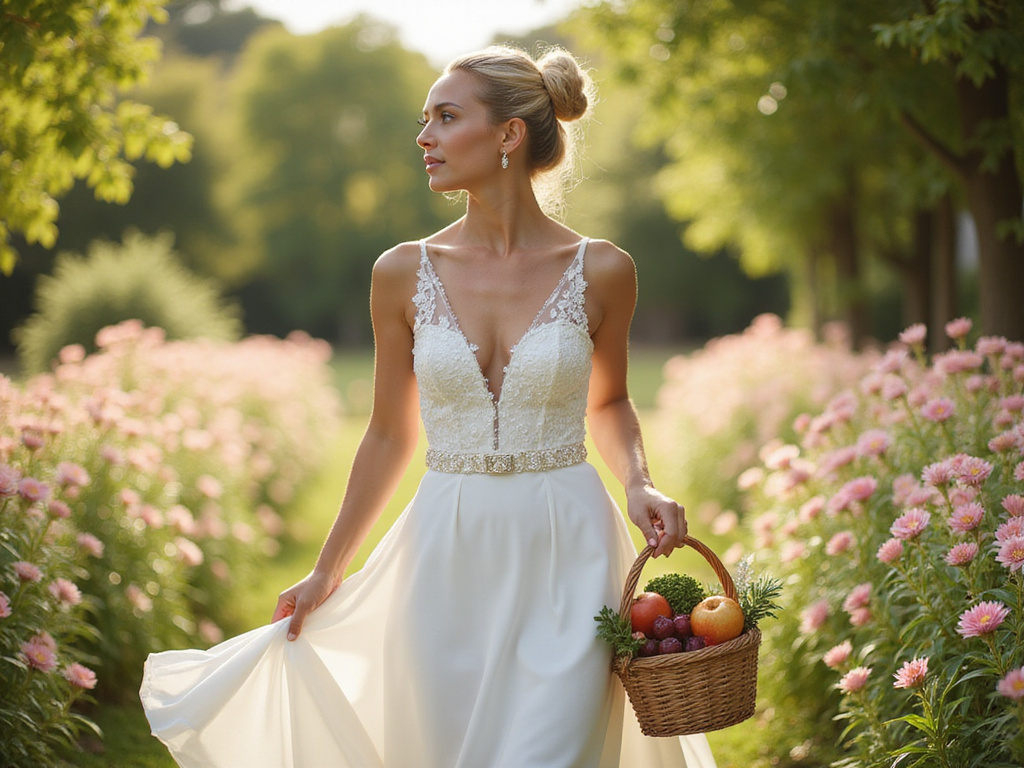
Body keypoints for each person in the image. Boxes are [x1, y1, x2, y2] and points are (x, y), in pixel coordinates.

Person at [141, 45, 717, 768]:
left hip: (569, 544)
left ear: (509, 135)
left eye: (447, 117)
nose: (424, 137)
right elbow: (387, 434)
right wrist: (328, 568)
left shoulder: (603, 268)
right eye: (425, 120)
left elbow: (611, 401)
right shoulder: (400, 273)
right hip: (445, 552)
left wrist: (638, 482)